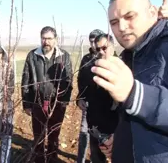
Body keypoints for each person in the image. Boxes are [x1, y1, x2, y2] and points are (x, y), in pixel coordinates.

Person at [91, 0, 168, 162]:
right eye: (114, 22)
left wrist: (135, 94)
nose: (121, 27)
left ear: (152, 12)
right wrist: (122, 139)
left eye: (129, 16)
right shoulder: (131, 53)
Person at [21, 26, 73, 163]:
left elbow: (68, 81)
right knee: (38, 136)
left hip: (57, 103)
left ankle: (52, 159)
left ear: (55, 40)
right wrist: (26, 103)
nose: (46, 42)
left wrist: (63, 102)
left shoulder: (64, 56)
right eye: (44, 38)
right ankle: (38, 159)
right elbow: (26, 79)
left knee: (54, 135)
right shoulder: (32, 56)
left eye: (49, 38)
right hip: (37, 103)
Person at [77, 33, 119, 163]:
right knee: (96, 156)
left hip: (115, 123)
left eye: (104, 48)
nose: (101, 52)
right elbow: (82, 82)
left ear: (113, 46)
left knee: (118, 156)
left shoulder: (122, 67)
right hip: (94, 120)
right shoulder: (91, 65)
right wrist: (80, 98)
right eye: (98, 49)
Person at [76, 29, 105, 163]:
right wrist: (80, 97)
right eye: (91, 41)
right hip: (88, 103)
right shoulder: (86, 59)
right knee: (84, 133)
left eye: (95, 41)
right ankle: (80, 160)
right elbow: (80, 79)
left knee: (102, 136)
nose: (93, 44)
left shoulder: (109, 58)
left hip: (105, 107)